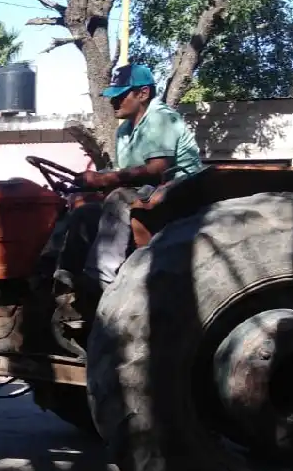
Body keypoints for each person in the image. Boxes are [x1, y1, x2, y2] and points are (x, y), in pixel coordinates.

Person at [51, 63, 203, 309]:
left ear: (142, 94)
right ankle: (64, 280)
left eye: (120, 96)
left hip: (179, 192)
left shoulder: (160, 118)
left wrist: (105, 180)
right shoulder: (124, 130)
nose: (113, 102)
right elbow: (127, 171)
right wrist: (85, 181)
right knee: (83, 212)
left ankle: (98, 283)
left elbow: (158, 169)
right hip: (148, 191)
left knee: (120, 198)